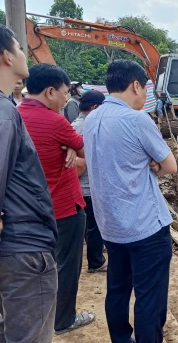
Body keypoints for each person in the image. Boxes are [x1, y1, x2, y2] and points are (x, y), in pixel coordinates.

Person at [83, 59, 177, 343]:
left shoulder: (91, 119)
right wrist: (154, 164)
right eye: (146, 88)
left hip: (110, 225)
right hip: (145, 226)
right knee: (149, 297)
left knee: (118, 289)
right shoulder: (137, 120)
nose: (146, 95)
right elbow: (170, 165)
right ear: (136, 85)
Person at [17, 63, 94, 335]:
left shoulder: (15, 115)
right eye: (64, 93)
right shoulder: (55, 121)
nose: (66, 99)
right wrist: (73, 151)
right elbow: (89, 152)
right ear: (50, 91)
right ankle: (64, 319)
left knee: (41, 269)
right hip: (64, 207)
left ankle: (42, 317)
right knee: (68, 266)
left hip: (30, 211)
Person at [0, 25, 58, 343]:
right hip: (22, 250)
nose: (25, 54)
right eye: (20, 49)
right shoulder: (4, 115)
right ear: (6, 57)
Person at [71, 90, 108, 273]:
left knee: (86, 225)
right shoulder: (91, 126)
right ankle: (96, 261)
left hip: (76, 186)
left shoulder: (72, 125)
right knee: (95, 225)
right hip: (90, 185)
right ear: (94, 107)